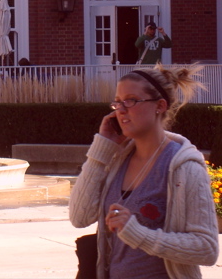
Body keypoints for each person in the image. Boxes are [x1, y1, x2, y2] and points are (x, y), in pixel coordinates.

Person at [69, 65, 218, 279]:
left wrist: (138, 233)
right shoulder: (117, 160)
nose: (121, 110)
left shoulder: (184, 167)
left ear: (160, 105)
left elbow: (206, 249)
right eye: (117, 102)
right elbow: (79, 217)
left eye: (131, 100)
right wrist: (101, 149)